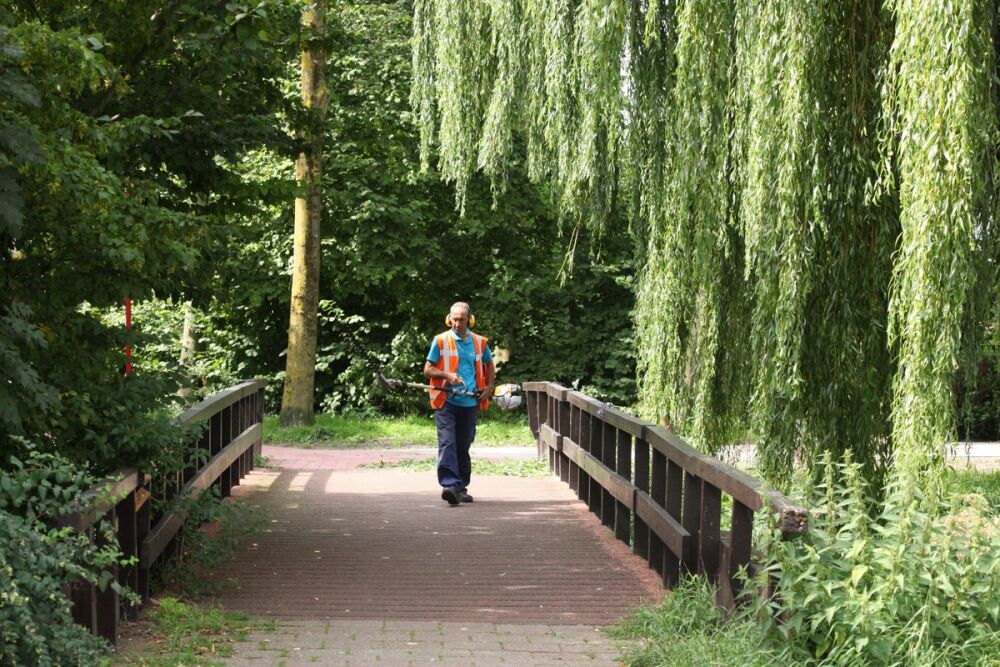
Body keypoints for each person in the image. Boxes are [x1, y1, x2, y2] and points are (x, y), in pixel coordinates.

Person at [423, 302, 495, 506]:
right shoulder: (440, 341)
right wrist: (446, 374)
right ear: (449, 319)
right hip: (446, 401)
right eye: (454, 319)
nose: (457, 323)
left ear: (469, 320)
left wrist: (489, 387)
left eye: (461, 319)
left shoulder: (479, 343)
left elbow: (490, 365)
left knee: (463, 445)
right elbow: (428, 370)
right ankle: (449, 485)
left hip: (469, 402)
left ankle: (460, 487)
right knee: (447, 443)